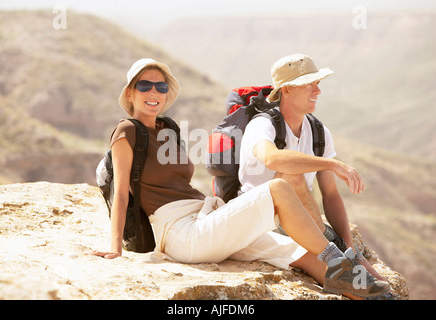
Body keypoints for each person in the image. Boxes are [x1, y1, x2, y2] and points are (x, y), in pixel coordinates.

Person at [87, 58, 390, 299]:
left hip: (205, 218)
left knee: (299, 254)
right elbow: (122, 191)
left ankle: (374, 296)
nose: (153, 92)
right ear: (130, 92)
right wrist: (115, 246)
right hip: (181, 234)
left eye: (160, 87)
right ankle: (339, 259)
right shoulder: (125, 131)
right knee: (279, 188)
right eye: (145, 85)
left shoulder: (168, 129)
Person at [239, 53, 389, 288]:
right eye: (309, 84)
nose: (317, 91)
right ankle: (338, 260)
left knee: (381, 285)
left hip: (302, 225)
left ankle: (341, 253)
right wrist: (331, 163)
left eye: (317, 84)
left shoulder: (319, 132)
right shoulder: (261, 125)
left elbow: (330, 195)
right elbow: (273, 159)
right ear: (286, 90)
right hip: (260, 222)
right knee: (289, 178)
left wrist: (348, 242)